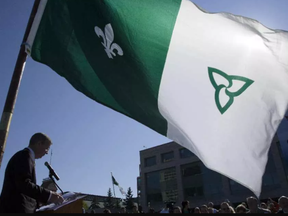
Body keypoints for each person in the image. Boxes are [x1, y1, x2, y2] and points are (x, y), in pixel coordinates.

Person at [0, 133, 64, 213]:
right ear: (39, 144)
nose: (47, 152)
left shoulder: (26, 157)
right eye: (47, 148)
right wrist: (49, 195)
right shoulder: (24, 156)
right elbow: (24, 184)